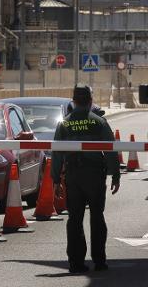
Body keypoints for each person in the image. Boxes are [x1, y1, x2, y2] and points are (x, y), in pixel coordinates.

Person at [51, 85, 121, 274]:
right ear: (90, 101)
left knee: (74, 219)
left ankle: (75, 263)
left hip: (73, 177)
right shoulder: (99, 122)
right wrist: (115, 174)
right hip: (95, 176)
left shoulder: (63, 124)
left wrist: (55, 179)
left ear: (73, 102)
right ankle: (99, 261)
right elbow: (110, 150)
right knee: (97, 217)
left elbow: (56, 153)